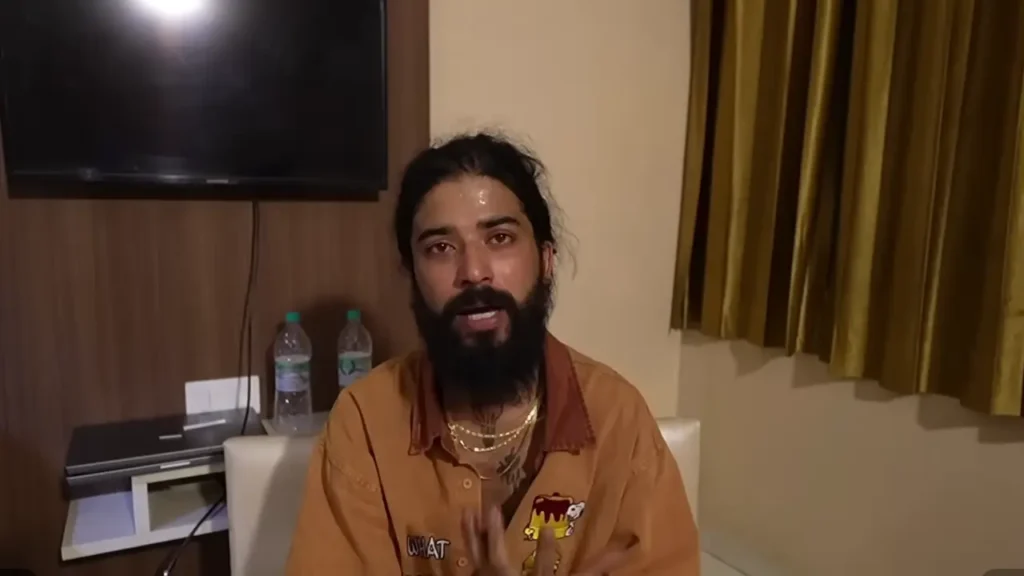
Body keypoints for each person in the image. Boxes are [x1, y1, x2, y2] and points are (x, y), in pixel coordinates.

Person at [285, 133, 699, 575]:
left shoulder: (618, 420)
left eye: (500, 238)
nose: (474, 272)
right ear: (413, 275)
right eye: (440, 248)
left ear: (546, 260)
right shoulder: (365, 421)